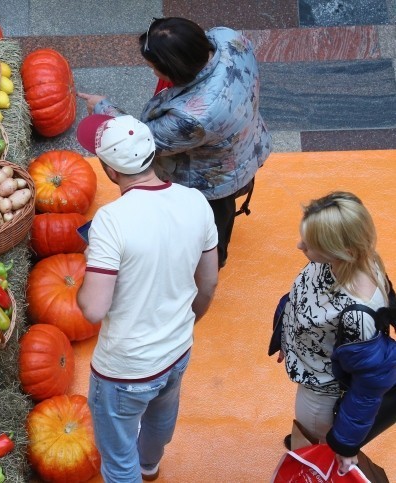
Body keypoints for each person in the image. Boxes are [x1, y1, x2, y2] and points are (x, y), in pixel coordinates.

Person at [75, 114, 219, 482]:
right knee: (160, 417)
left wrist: (87, 272)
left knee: (118, 459)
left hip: (125, 369)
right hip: (177, 350)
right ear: (152, 152)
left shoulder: (111, 221)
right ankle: (151, 466)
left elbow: (93, 309)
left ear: (109, 171)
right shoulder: (196, 201)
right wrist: (187, 323)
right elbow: (208, 284)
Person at [78, 17, 271, 268]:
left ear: (175, 71)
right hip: (246, 144)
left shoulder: (195, 116)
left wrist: (103, 108)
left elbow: (143, 139)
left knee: (212, 226)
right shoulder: (229, 38)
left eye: (153, 68)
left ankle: (210, 262)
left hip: (213, 181)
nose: (152, 72)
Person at [278, 191, 396, 473]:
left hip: (321, 394)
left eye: (310, 245)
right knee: (310, 442)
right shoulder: (349, 261)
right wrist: (286, 338)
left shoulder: (358, 314)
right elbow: (303, 300)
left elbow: (368, 387)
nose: (299, 246)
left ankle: (314, 449)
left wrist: (345, 444)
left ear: (341, 250)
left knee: (315, 450)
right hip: (312, 369)